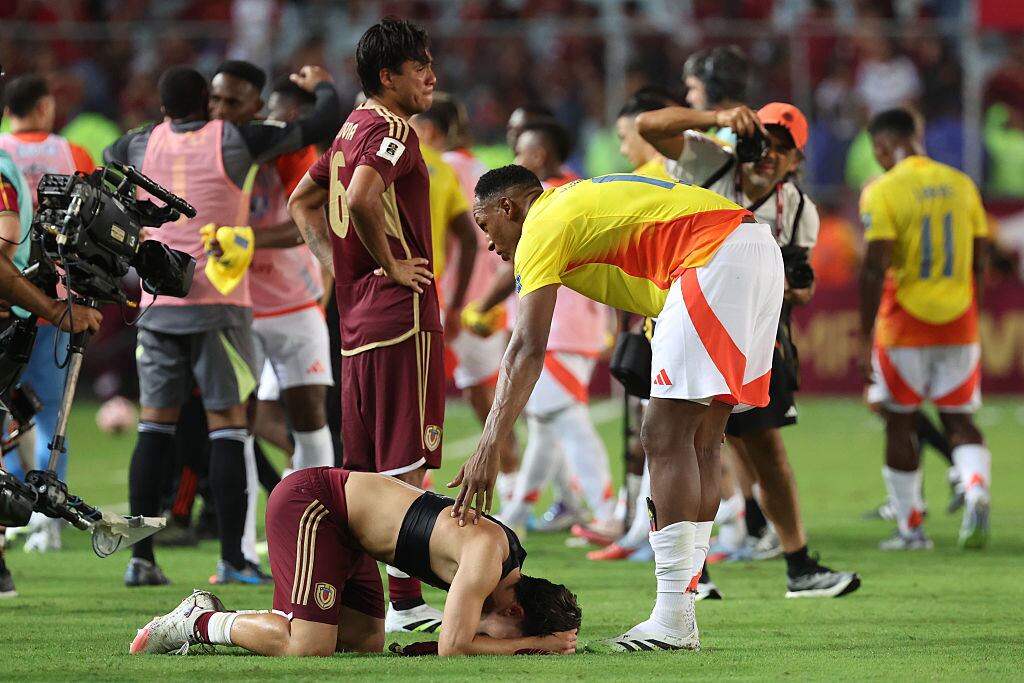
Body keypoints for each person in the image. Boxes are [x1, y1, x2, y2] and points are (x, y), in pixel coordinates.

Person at [453, 165, 782, 652]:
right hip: (751, 248)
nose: (490, 243)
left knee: (663, 436)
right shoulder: (573, 205)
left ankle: (672, 620)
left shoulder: (540, 223)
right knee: (703, 440)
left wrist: (489, 446)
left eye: (486, 226)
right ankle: (681, 614)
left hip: (711, 256)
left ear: (510, 207)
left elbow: (525, 347)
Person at [104, 63, 341, 587]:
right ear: (205, 104)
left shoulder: (140, 146)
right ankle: (234, 558)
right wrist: (321, 84)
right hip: (218, 302)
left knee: (154, 427)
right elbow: (320, 122)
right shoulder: (232, 141)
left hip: (156, 303)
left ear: (165, 107)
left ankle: (141, 560)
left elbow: (109, 156)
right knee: (230, 428)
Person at [637, 100, 860, 599]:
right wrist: (716, 117)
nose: (768, 155)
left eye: (782, 148)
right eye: (762, 141)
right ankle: (690, 576)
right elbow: (647, 125)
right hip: (688, 324)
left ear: (797, 161)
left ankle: (799, 566)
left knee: (763, 450)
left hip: (758, 337)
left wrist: (785, 286)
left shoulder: (799, 208)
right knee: (686, 444)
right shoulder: (710, 161)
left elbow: (801, 286)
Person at [288, 18, 446, 634]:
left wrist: (341, 270)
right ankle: (407, 602)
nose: (431, 76)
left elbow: (303, 200)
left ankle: (356, 601)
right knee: (406, 467)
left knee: (363, 470)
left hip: (356, 322)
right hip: (402, 322)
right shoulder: (392, 130)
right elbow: (359, 198)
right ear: (390, 76)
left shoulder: (348, 127)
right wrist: (390, 267)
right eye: (420, 66)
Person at [130, 468, 580, 657]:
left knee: (364, 641)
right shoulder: (487, 560)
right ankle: (200, 621)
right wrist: (530, 645)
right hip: (315, 506)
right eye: (511, 632)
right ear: (514, 611)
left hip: (350, 534)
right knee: (308, 646)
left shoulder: (506, 557)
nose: (496, 636)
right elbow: (454, 647)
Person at [859, 108, 991, 550]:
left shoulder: (884, 190)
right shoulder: (962, 183)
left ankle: (911, 528)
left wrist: (864, 333)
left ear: (881, 147)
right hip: (959, 322)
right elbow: (981, 257)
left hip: (904, 326)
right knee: (961, 421)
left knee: (901, 422)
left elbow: (875, 268)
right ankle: (975, 489)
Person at [0, 89, 102, 595]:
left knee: (8, 413)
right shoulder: (70, 153)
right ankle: (41, 518)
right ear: (43, 105)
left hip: (12, 306)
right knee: (38, 411)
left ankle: (13, 513)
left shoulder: (2, 150)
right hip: (49, 299)